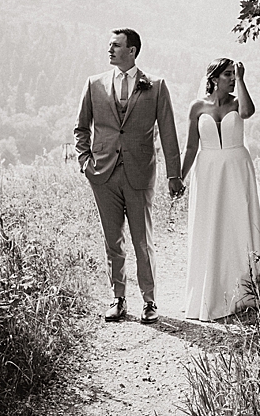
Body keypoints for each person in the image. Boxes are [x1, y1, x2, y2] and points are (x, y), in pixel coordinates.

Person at [73, 28, 183, 323]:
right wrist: (85, 161)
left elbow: (168, 132)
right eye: (109, 45)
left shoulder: (155, 86)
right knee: (112, 240)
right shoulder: (94, 84)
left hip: (139, 173)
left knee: (142, 240)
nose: (110, 50)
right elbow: (81, 128)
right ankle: (118, 299)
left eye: (116, 46)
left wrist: (175, 174)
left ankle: (149, 301)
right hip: (103, 173)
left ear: (132, 50)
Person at [177, 58, 260, 321]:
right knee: (210, 226)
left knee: (238, 225)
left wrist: (243, 79)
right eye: (228, 75)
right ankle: (210, 292)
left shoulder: (238, 102)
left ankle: (244, 293)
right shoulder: (197, 107)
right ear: (213, 78)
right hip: (208, 170)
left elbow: (248, 112)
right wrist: (179, 177)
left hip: (237, 168)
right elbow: (191, 147)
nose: (232, 79)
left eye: (234, 75)